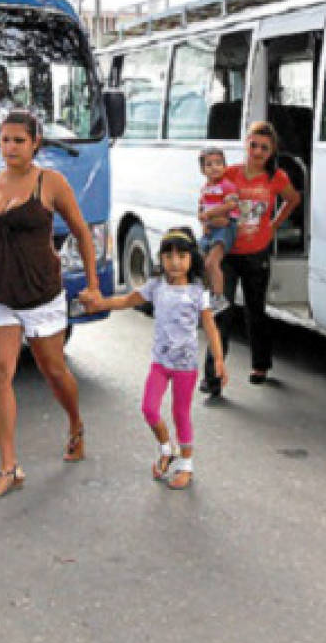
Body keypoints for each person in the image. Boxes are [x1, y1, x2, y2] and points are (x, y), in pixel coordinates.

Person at [0, 109, 101, 499]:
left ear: (35, 142)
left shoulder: (50, 182)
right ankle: (9, 466)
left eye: (18, 140)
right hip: (0, 293)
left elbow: (82, 233)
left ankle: (75, 424)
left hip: (41, 293)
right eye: (4, 140)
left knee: (53, 370)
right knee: (0, 372)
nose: (10, 147)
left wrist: (92, 285)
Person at [80, 228, 225, 490]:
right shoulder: (156, 286)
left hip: (185, 366)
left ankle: (186, 465)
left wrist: (219, 361)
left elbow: (211, 327)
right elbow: (126, 300)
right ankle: (165, 447)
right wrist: (100, 304)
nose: (175, 262)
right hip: (160, 363)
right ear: (161, 259)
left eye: (182, 255)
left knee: (181, 413)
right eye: (168, 256)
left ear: (192, 258)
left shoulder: (197, 291)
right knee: (149, 409)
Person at [201, 121, 301, 397]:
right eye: (253, 145)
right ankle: (213, 377)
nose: (257, 152)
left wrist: (274, 223)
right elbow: (208, 201)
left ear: (272, 152)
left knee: (256, 312)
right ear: (245, 143)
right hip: (228, 255)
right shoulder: (228, 174)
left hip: (257, 254)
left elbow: (292, 199)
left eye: (264, 148)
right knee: (222, 313)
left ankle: (260, 364)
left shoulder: (276, 177)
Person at [197, 147, 239, 313]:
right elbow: (201, 208)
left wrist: (209, 214)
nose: (215, 167)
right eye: (209, 164)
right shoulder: (205, 188)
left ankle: (219, 297)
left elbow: (231, 205)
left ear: (225, 166)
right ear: (202, 170)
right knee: (201, 262)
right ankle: (207, 294)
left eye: (219, 163)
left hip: (225, 229)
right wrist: (203, 219)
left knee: (212, 262)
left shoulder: (227, 186)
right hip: (211, 228)